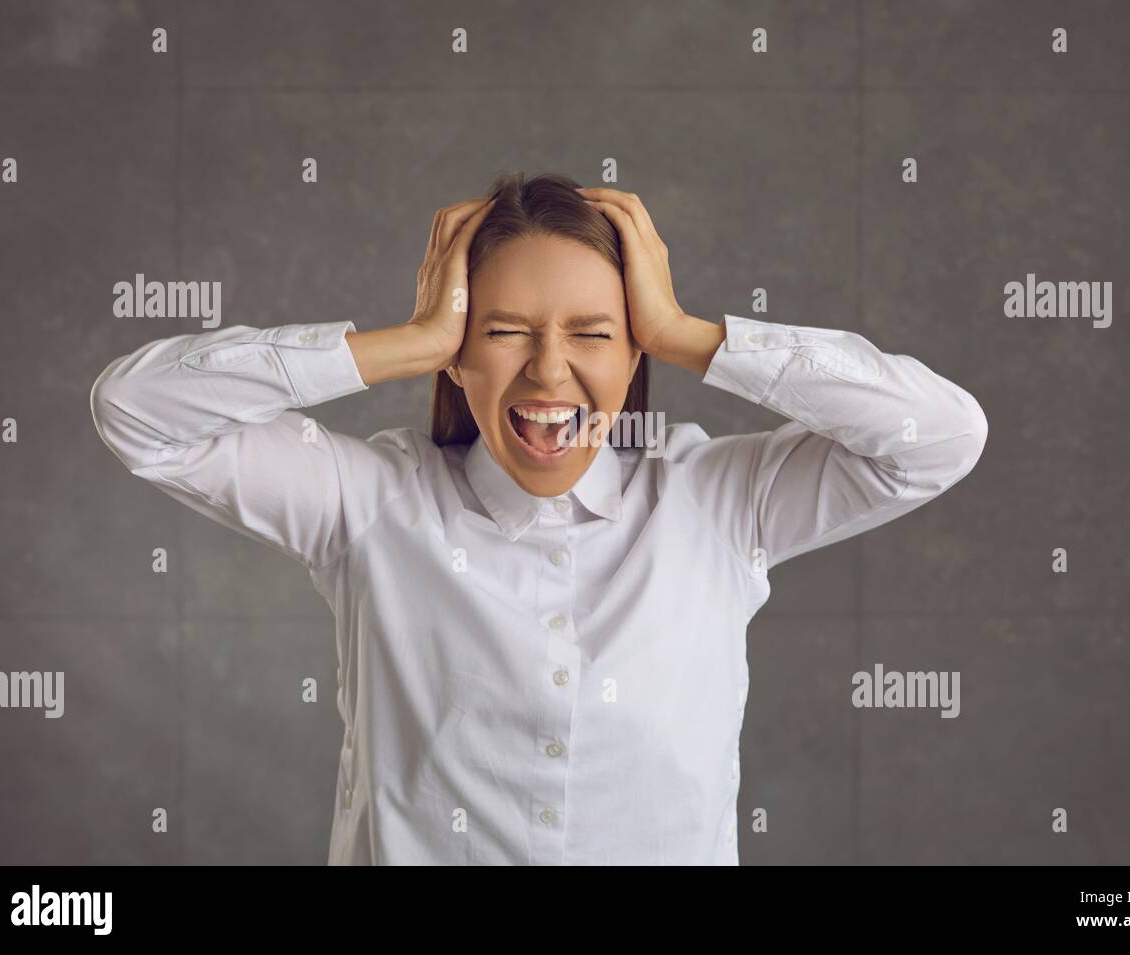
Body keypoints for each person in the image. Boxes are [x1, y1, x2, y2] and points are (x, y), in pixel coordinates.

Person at [90, 171, 988, 865]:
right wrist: (401, 344)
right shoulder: (367, 504)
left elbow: (940, 437)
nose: (549, 373)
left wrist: (684, 332)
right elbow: (139, 411)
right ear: (457, 353)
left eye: (593, 334)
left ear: (634, 350)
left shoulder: (718, 500)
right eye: (505, 330)